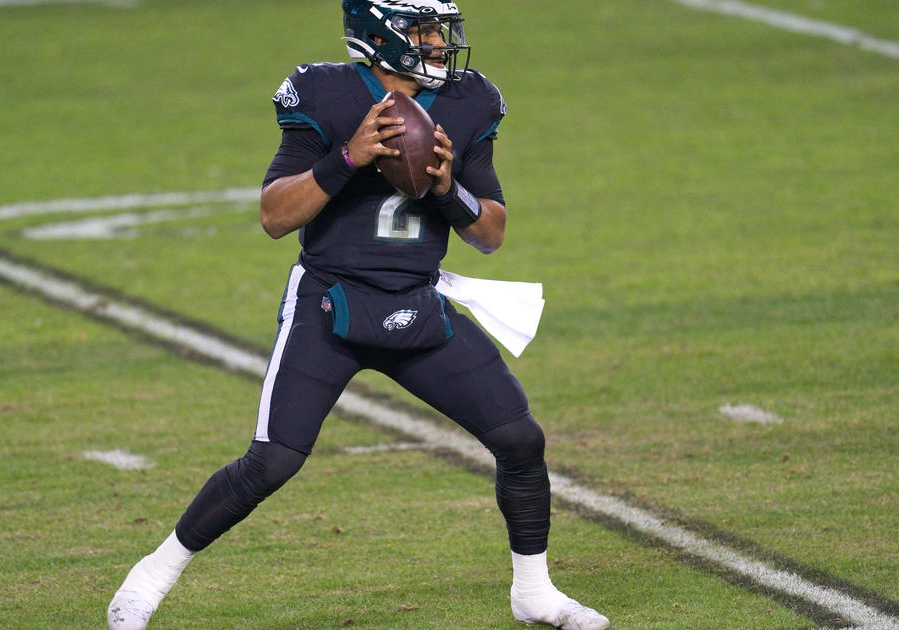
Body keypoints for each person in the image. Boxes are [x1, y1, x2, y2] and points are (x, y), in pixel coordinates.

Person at [106, 1, 610, 629]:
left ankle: (533, 592)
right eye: (423, 30)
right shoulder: (324, 93)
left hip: (418, 303)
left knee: (519, 438)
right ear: (379, 35)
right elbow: (274, 216)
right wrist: (346, 159)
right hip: (330, 304)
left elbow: (491, 234)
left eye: (439, 30)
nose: (438, 44)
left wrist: (449, 187)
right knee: (274, 461)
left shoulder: (469, 100)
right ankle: (151, 576)